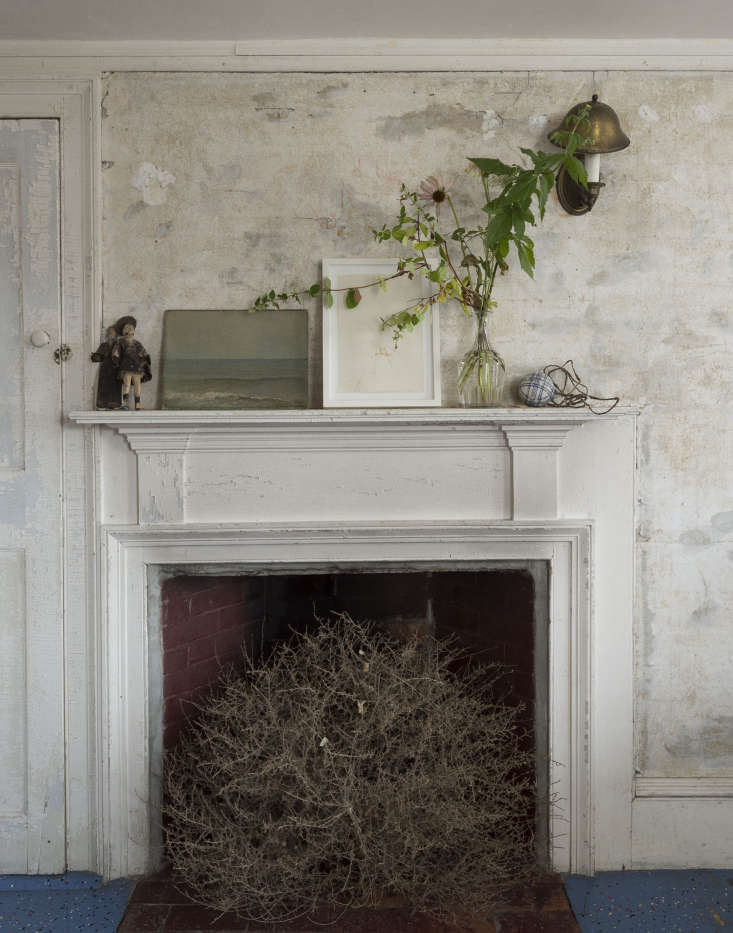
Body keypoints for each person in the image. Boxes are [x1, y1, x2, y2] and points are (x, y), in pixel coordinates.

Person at [113, 320, 152, 410]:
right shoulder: (121, 342)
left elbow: (143, 353)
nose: (129, 331)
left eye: (131, 329)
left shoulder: (137, 343)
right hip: (126, 367)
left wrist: (145, 357)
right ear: (124, 331)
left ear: (133, 331)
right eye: (127, 329)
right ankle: (125, 404)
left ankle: (137, 404)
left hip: (137, 367)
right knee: (126, 384)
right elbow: (116, 353)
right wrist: (115, 359)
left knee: (137, 385)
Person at [90, 325, 122, 409]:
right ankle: (102, 403)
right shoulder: (104, 345)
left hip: (115, 369)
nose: (110, 335)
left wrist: (118, 356)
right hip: (105, 368)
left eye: (112, 333)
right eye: (109, 333)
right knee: (103, 386)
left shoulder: (119, 346)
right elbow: (99, 357)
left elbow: (123, 357)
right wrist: (95, 356)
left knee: (115, 386)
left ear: (116, 335)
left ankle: (115, 403)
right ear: (107, 335)